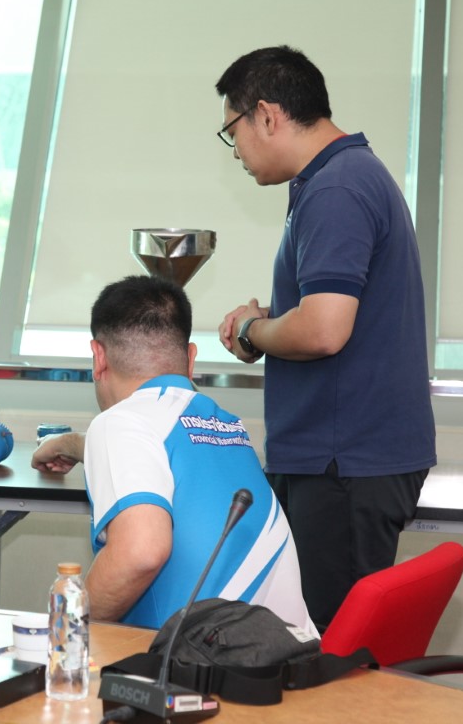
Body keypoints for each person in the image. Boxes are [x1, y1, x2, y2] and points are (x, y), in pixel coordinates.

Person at [213, 45, 435, 631]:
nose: (235, 150)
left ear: (266, 115)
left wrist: (253, 329)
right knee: (309, 641)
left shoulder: (337, 188)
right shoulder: (340, 177)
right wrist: (271, 320)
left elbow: (323, 330)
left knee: (332, 656)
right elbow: (332, 311)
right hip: (343, 458)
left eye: (232, 131)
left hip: (344, 464)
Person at [32, 275, 315, 635]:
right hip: (285, 653)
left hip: (203, 660)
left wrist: (65, 634)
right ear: (191, 358)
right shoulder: (223, 423)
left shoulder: (119, 422)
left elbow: (141, 552)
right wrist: (71, 444)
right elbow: (153, 456)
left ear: (98, 356)